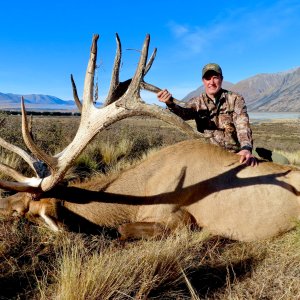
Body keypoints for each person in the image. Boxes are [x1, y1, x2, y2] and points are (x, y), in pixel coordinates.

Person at [157, 63, 257, 167]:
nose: (211, 82)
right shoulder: (196, 102)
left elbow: (242, 125)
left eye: (215, 78)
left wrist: (246, 148)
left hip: (232, 155)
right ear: (203, 81)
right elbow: (183, 113)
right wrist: (170, 103)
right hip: (206, 156)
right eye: (208, 78)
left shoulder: (235, 99)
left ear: (221, 79)